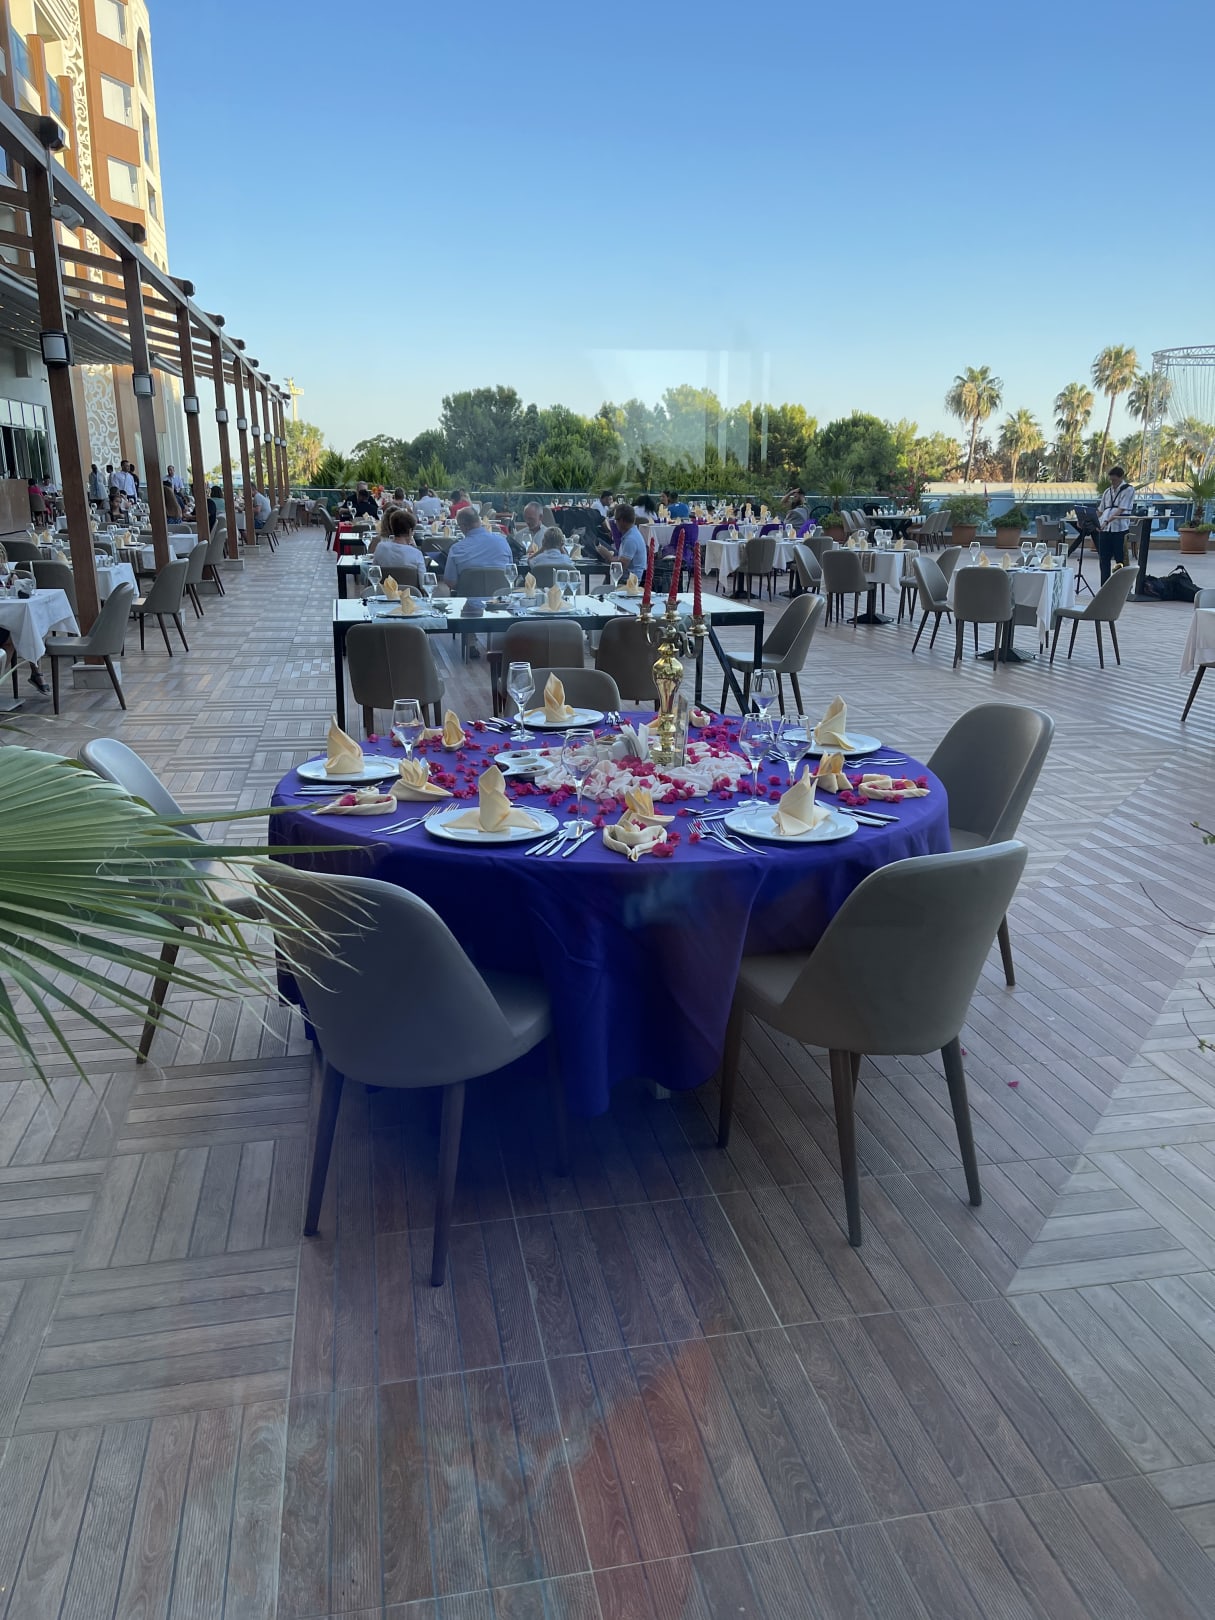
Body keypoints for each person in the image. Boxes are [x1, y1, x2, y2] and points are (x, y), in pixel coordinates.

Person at [442, 504, 513, 586]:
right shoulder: (502, 541)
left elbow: (450, 581)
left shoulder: (456, 549)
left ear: (464, 526)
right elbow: (511, 570)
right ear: (479, 521)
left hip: (468, 593)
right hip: (500, 592)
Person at [1096, 465, 1135, 583]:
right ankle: (1104, 585)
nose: (1112, 483)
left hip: (1119, 529)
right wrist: (1091, 520)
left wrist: (1107, 521)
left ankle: (1121, 585)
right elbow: (1101, 510)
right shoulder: (1107, 491)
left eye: (1114, 480)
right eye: (1111, 480)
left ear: (1121, 478)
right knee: (1104, 559)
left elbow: (1121, 509)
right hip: (1105, 529)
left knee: (1120, 559)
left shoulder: (1128, 489)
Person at [601, 502, 648, 577]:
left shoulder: (630, 539)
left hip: (631, 579)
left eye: (616, 520)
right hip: (631, 576)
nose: (615, 523)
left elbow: (621, 566)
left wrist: (607, 556)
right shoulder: (632, 533)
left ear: (622, 520)